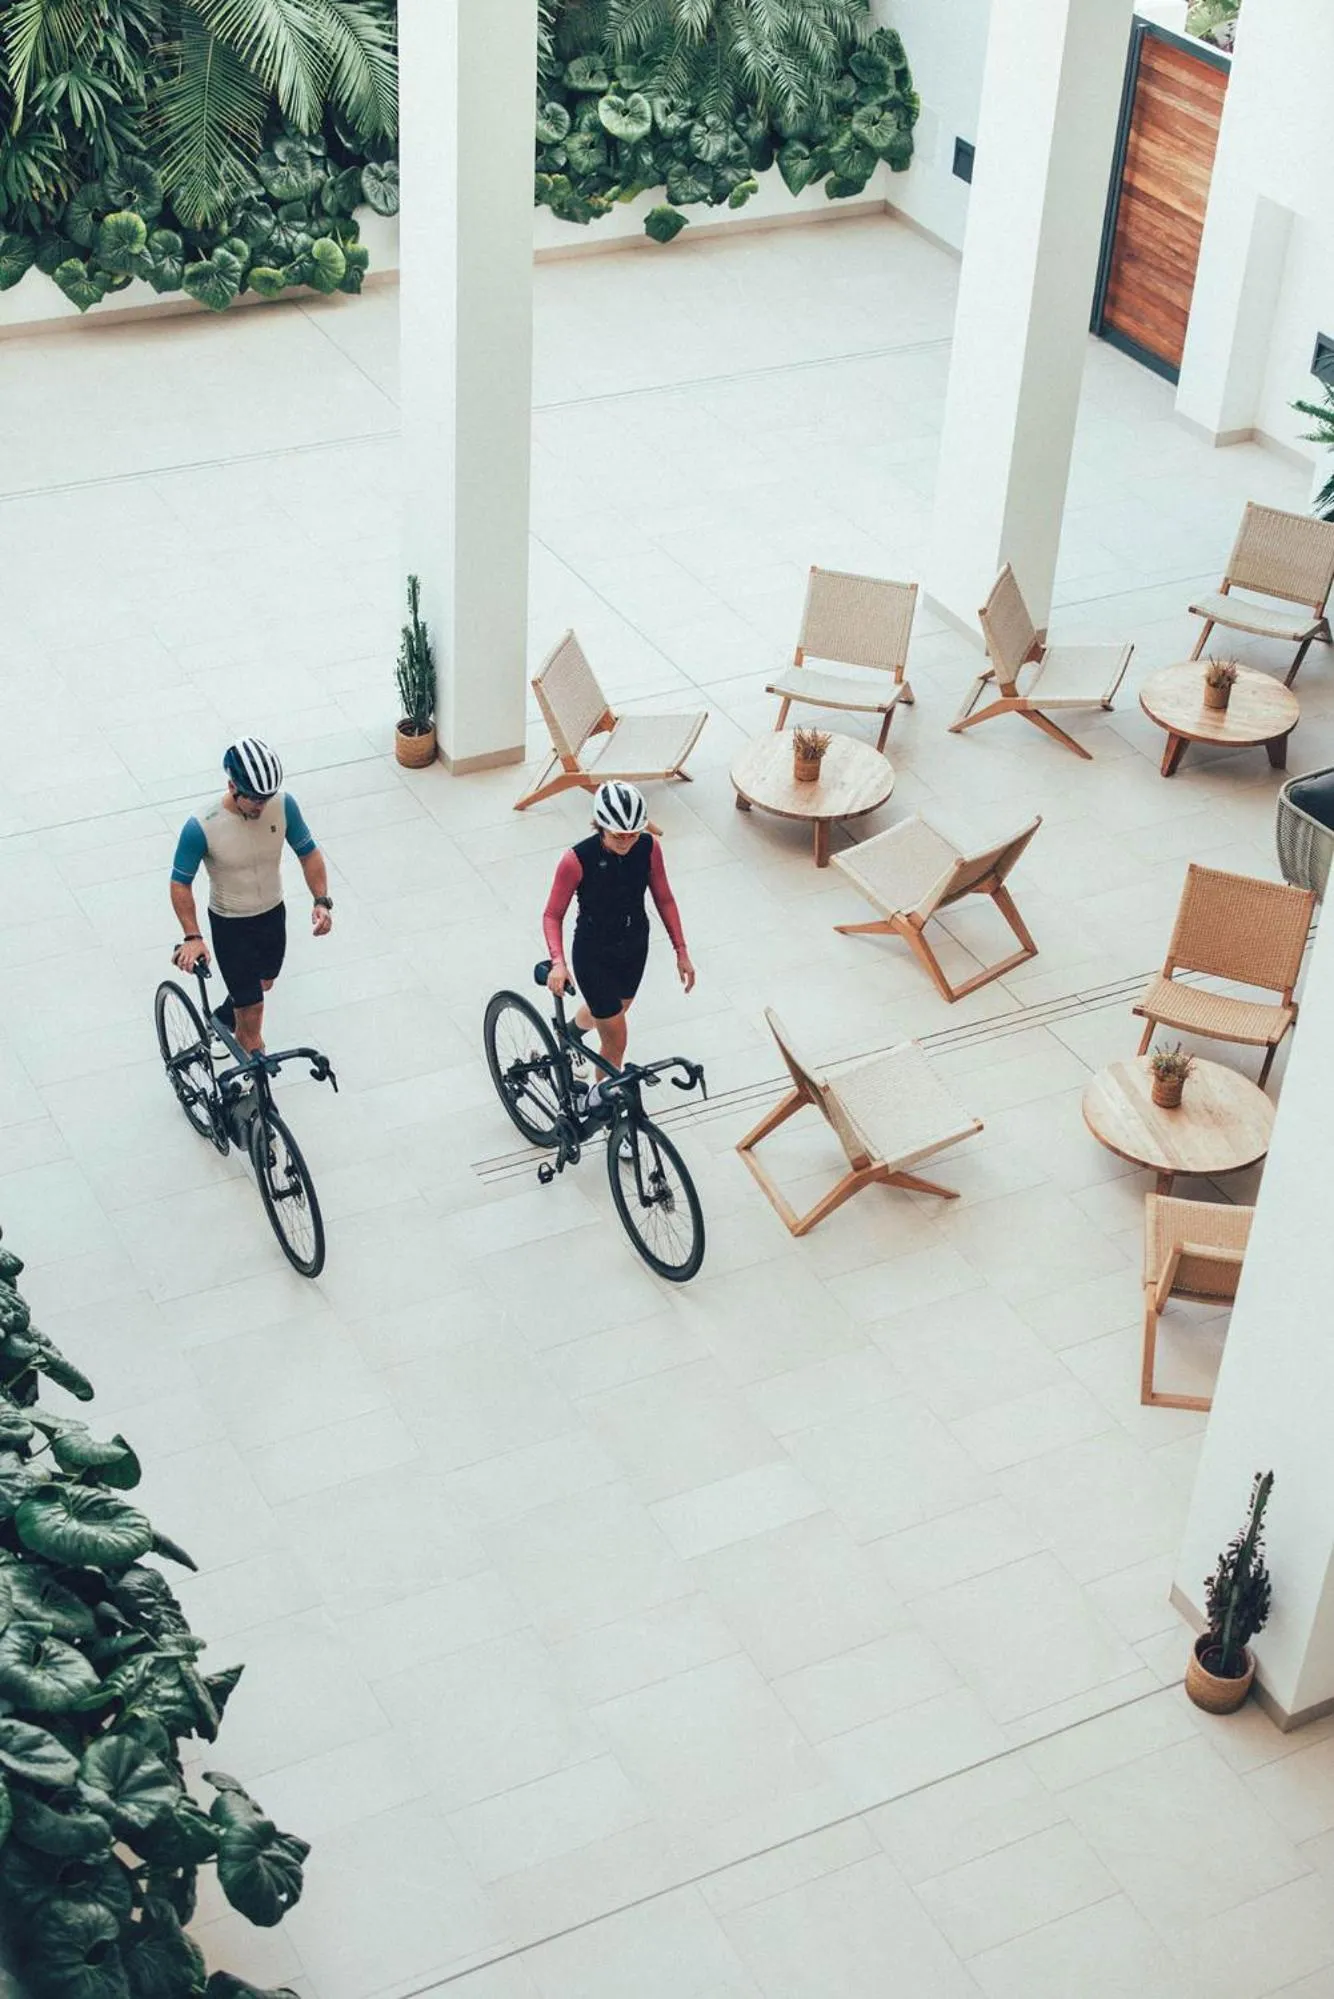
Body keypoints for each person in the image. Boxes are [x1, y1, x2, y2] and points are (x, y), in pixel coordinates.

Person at [169, 738, 332, 1054]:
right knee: (252, 1015)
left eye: (267, 797)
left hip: (272, 914)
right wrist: (192, 936)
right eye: (255, 799)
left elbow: (308, 852)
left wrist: (321, 900)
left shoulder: (283, 806)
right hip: (232, 925)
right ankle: (253, 1087)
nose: (262, 805)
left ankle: (224, 1016)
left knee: (264, 983)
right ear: (232, 787)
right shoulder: (201, 826)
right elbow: (179, 883)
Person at [542, 781, 695, 1106]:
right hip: (593, 954)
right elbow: (552, 915)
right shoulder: (576, 860)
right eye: (617, 835)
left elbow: (664, 898)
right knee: (616, 1040)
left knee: (616, 1010)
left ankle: (568, 1036)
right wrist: (558, 962)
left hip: (634, 945)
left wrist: (681, 951)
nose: (626, 841)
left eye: (632, 834)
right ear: (600, 826)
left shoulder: (648, 847)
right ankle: (606, 1109)